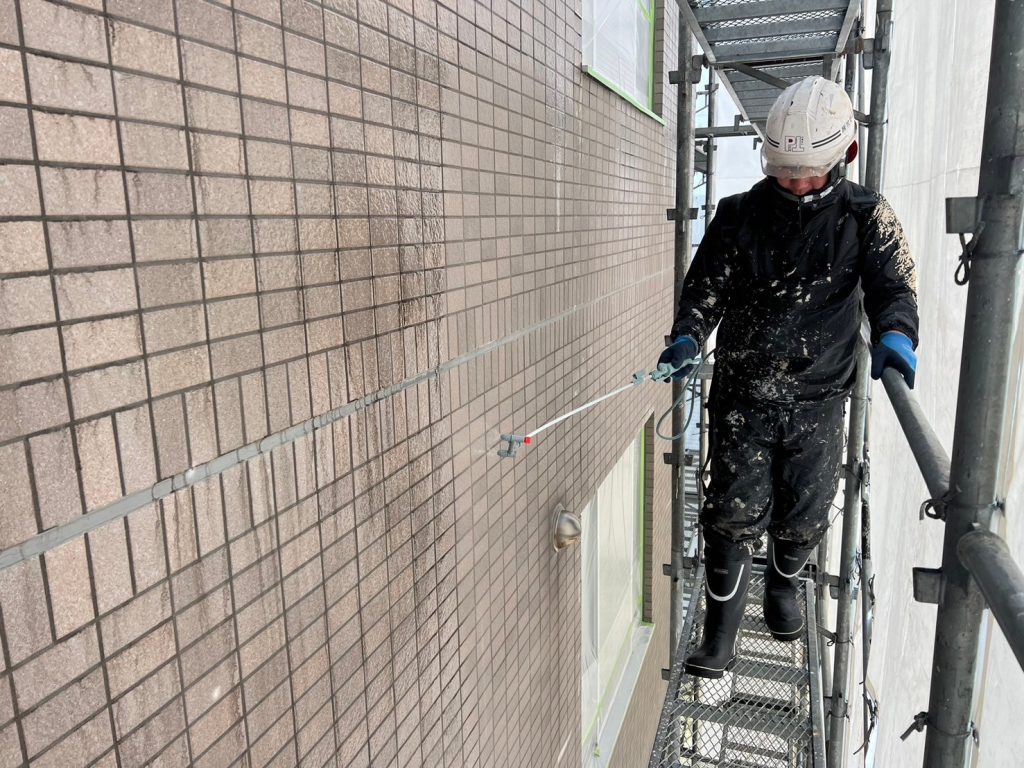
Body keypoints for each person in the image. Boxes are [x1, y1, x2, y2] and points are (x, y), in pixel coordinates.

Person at [657, 76, 919, 679]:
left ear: (844, 157)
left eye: (807, 174)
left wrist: (898, 335)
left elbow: (894, 287)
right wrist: (689, 334)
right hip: (745, 390)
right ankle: (719, 634)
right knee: (732, 505)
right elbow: (706, 289)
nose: (795, 185)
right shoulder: (738, 215)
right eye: (785, 173)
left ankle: (782, 584)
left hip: (821, 395)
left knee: (806, 503)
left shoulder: (867, 218)